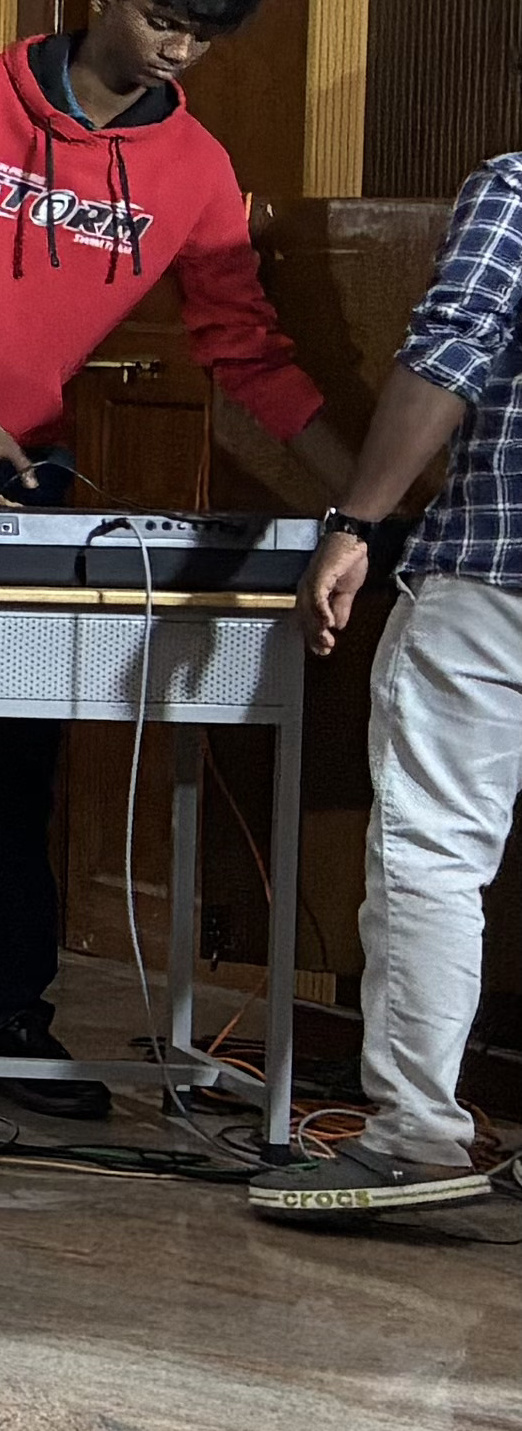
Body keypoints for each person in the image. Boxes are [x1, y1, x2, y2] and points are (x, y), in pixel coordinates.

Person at [0, 0, 352, 1116]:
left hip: (26, 469)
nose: (175, 50)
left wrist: (363, 493)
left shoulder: (195, 169)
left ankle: (4, 1025)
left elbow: (244, 350)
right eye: (159, 18)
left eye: (200, 36)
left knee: (9, 769)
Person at [270, 136, 522, 1217]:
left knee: (434, 847)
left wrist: (357, 519)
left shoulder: (518, 187)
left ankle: (419, 1136)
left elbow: (455, 347)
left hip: (498, 574)